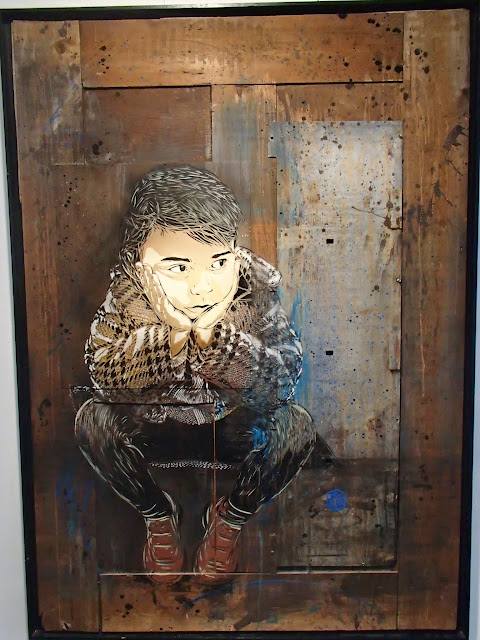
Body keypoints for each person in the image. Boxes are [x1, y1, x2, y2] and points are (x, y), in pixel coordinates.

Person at [75, 165, 316, 586]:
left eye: (218, 263)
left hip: (232, 425)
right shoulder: (127, 298)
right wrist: (171, 338)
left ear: (235, 255)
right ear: (139, 266)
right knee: (92, 421)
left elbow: (283, 379)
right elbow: (103, 373)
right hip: (156, 424)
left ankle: (230, 518)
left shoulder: (254, 292)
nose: (203, 287)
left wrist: (210, 340)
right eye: (178, 268)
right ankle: (157, 513)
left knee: (296, 427)